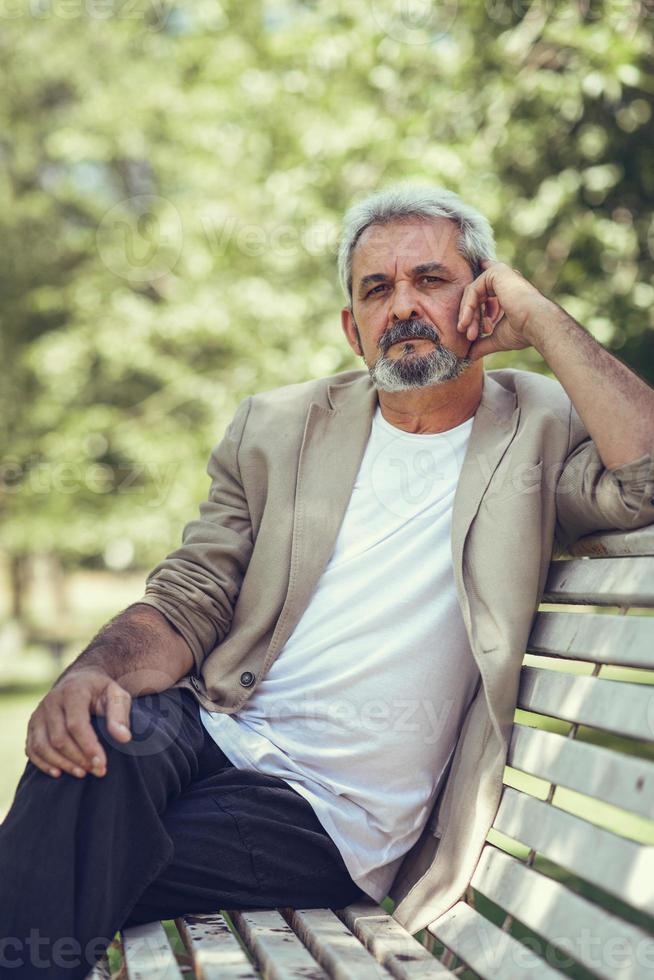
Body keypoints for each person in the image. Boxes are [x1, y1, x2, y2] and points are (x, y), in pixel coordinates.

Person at [2, 185, 653, 978]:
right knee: (88, 744)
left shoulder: (540, 426)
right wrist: (95, 671)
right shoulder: (277, 429)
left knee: (62, 851)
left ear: (483, 297)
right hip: (217, 728)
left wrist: (543, 320)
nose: (403, 305)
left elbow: (648, 478)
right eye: (377, 290)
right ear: (353, 329)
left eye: (431, 279)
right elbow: (189, 595)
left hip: (327, 814)